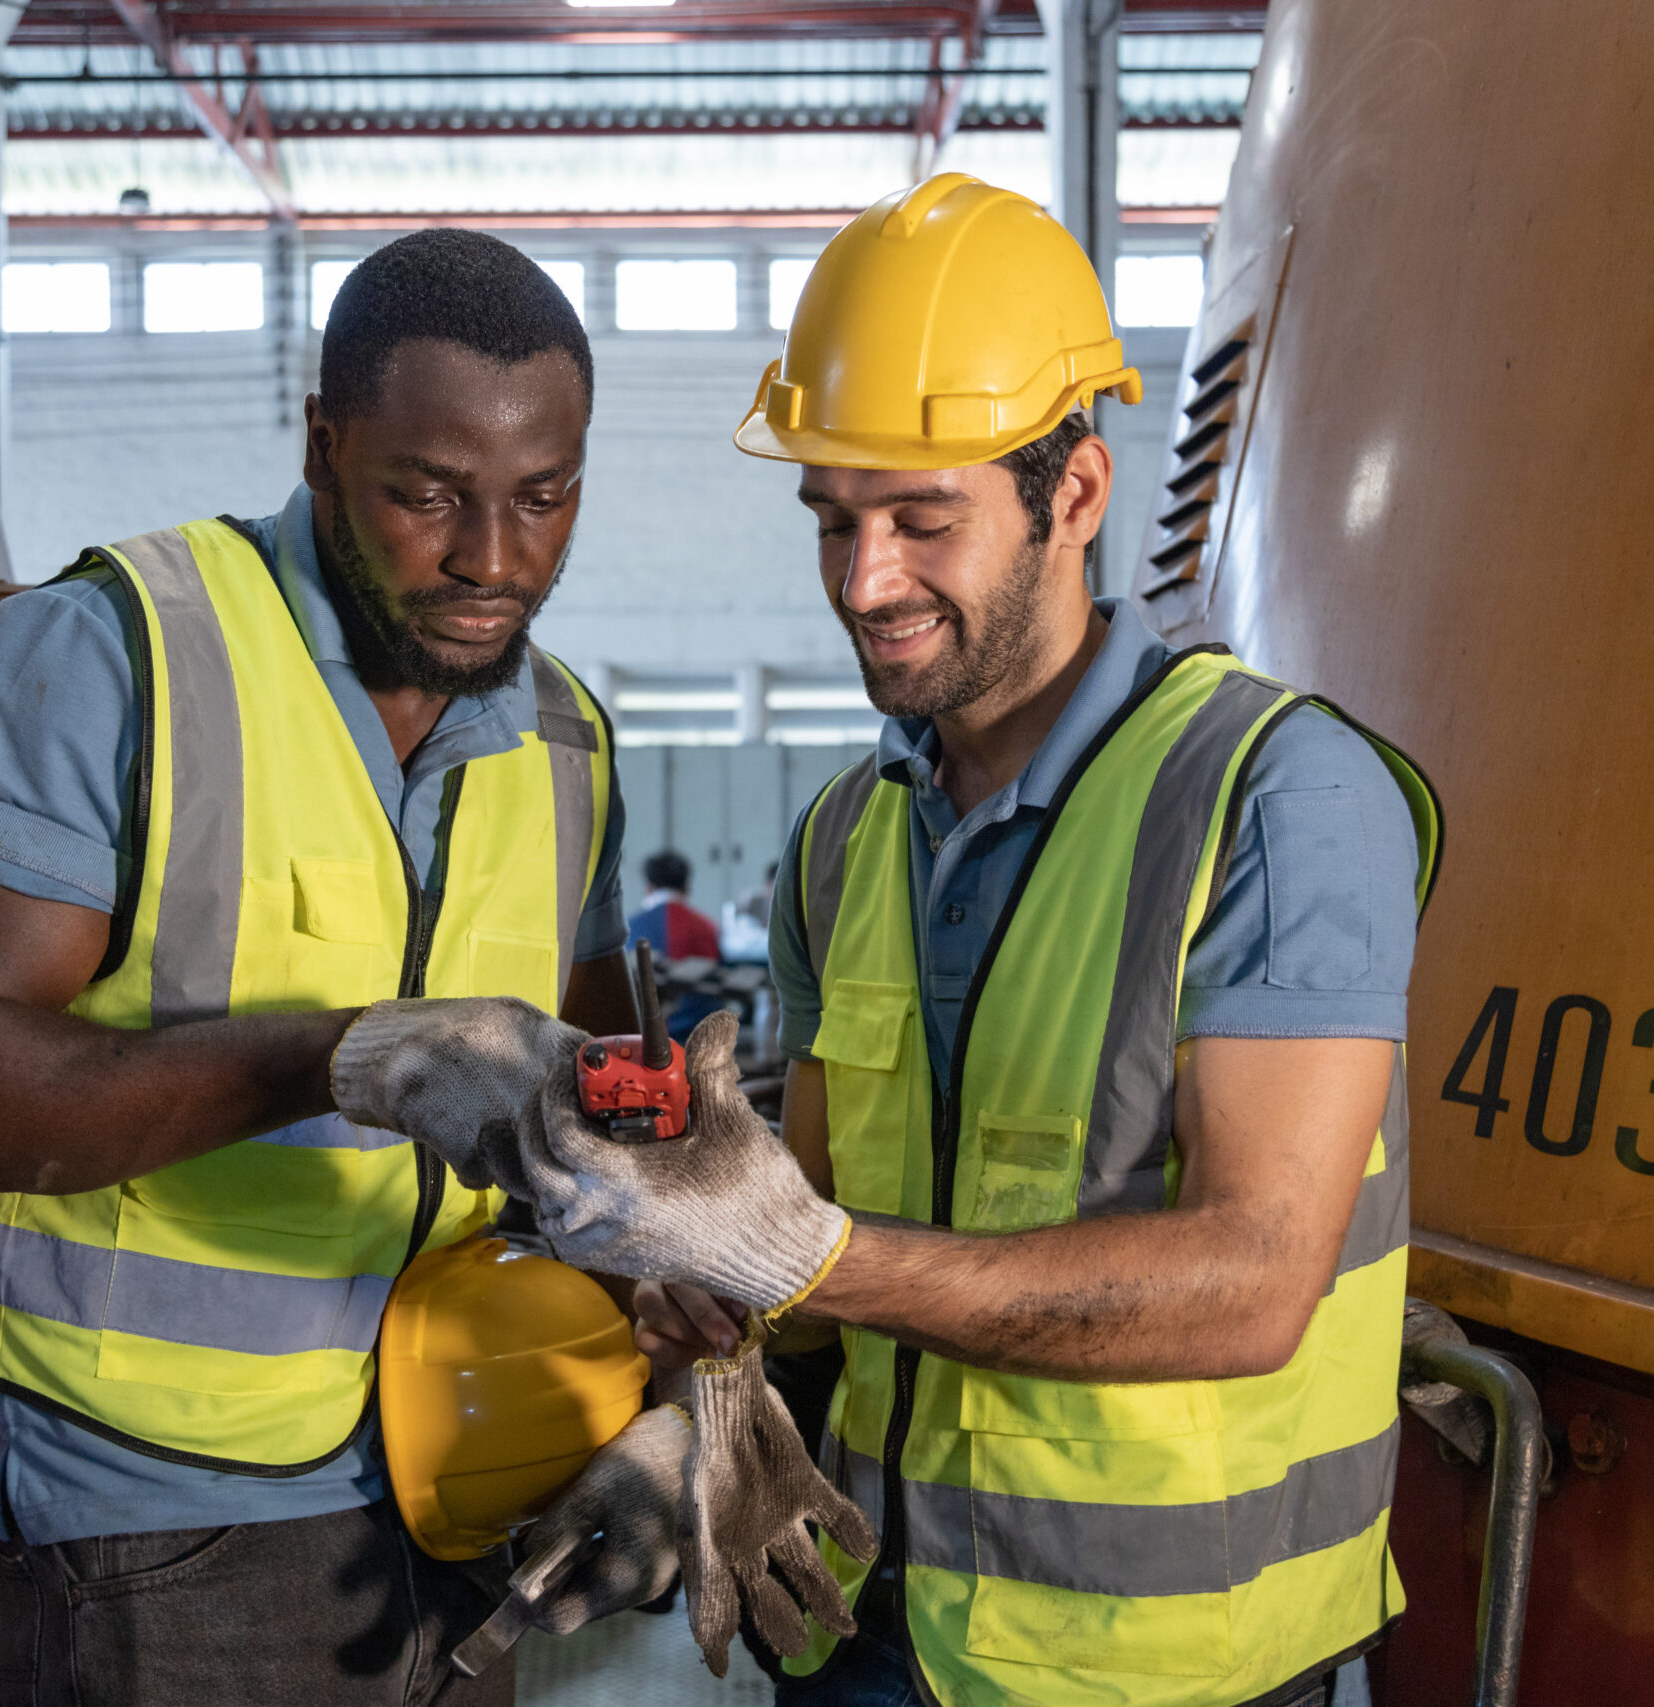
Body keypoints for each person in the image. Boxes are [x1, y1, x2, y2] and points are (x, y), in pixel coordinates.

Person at [490, 176, 1443, 1707]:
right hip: (857, 1618)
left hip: (1167, 1666)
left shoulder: (1276, 795)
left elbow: (1256, 1280)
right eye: (833, 520)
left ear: (1076, 493)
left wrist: (813, 1256)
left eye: (923, 522)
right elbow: (810, 1239)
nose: (864, 584)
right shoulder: (845, 837)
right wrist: (705, 1372)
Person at [0, 230, 686, 1706]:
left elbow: (634, 1137)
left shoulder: (564, 742)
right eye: (426, 495)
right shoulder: (112, 656)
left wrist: (683, 1404)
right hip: (182, 1526)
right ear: (323, 443)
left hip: (505, 1483)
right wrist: (330, 1056)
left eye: (543, 499)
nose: (493, 557)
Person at [627, 848, 724, 1040]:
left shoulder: (630, 927)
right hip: (698, 1035)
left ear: (648, 887)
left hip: (644, 1038)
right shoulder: (706, 927)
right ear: (686, 888)